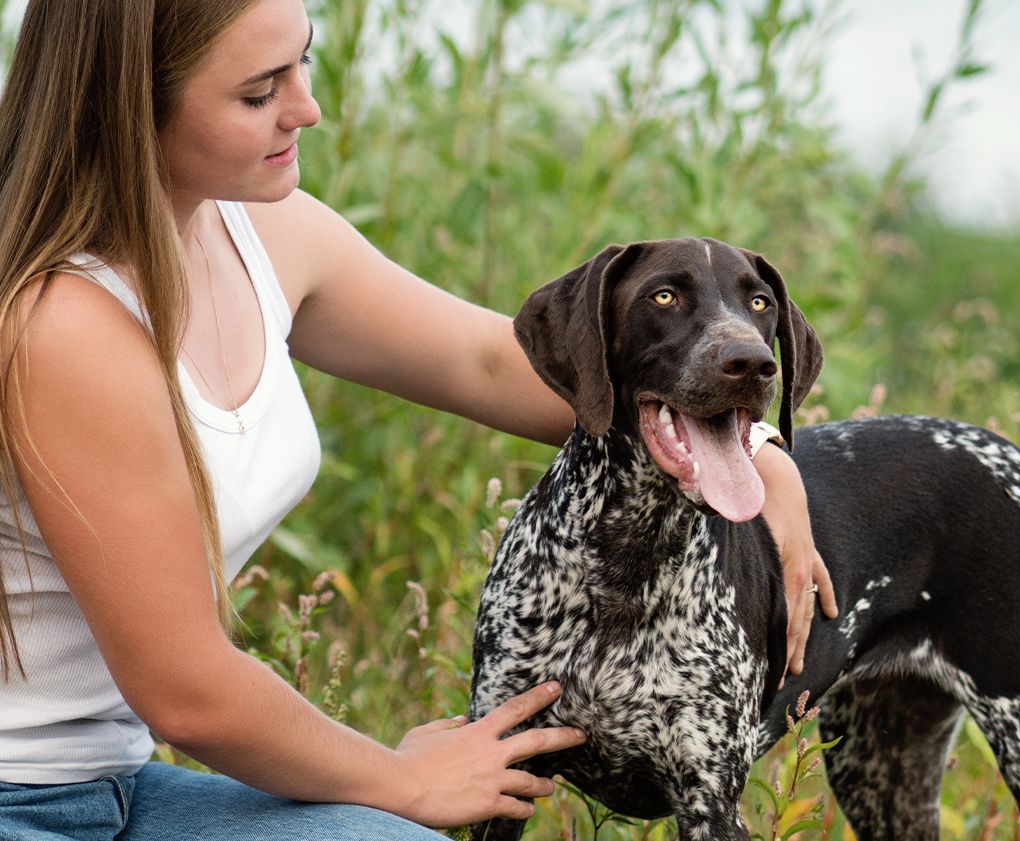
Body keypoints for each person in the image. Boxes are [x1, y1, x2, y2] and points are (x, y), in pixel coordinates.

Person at [0, 0, 838, 838]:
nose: (307, 108)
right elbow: (187, 688)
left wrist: (752, 452)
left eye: (304, 62)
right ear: (128, 105)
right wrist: (399, 777)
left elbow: (495, 363)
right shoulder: (64, 324)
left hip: (117, 779)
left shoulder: (259, 229)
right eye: (259, 93)